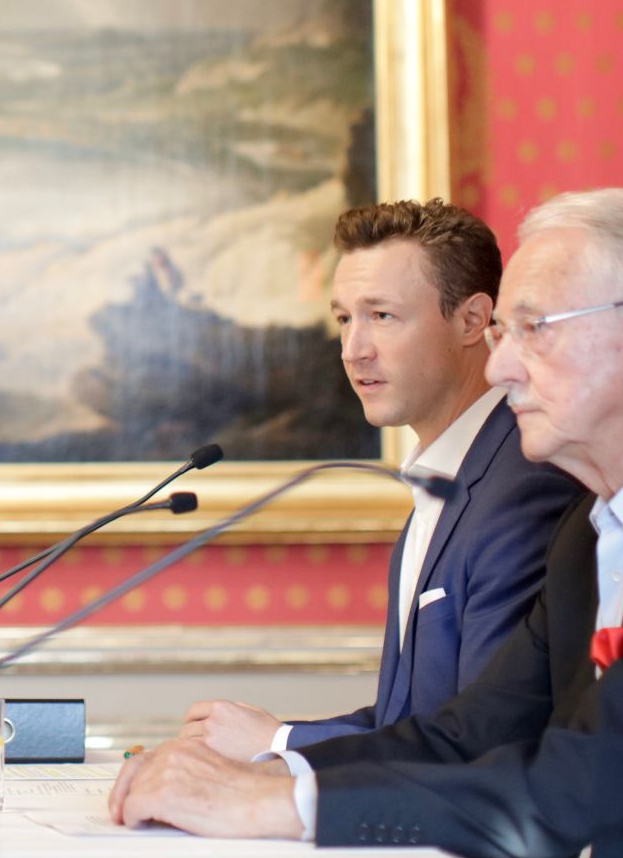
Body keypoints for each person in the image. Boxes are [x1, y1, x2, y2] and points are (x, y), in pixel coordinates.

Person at [110, 187, 623, 858]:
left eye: (534, 329)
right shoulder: (591, 524)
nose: (499, 367)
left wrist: (268, 807)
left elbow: (572, 784)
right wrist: (273, 777)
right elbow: (469, 733)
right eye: (505, 334)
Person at [184, 199, 578, 762]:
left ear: (472, 321)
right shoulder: (445, 477)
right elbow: (405, 720)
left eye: (382, 316)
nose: (353, 350)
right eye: (345, 318)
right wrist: (268, 745)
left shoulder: (524, 486)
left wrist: (278, 742)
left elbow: (485, 736)